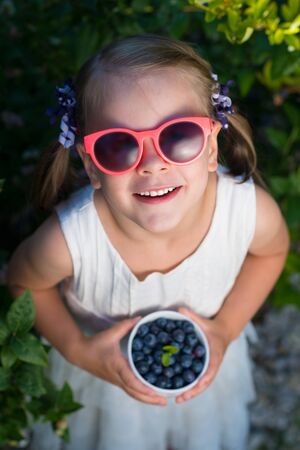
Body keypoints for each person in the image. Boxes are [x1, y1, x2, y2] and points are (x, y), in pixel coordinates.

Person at [7, 34, 289, 450]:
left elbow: (272, 253)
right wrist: (78, 349)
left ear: (212, 146)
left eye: (179, 136)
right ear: (91, 165)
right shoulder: (72, 239)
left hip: (203, 358)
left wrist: (226, 330)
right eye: (119, 146)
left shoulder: (247, 213)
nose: (154, 164)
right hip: (102, 380)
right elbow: (23, 281)